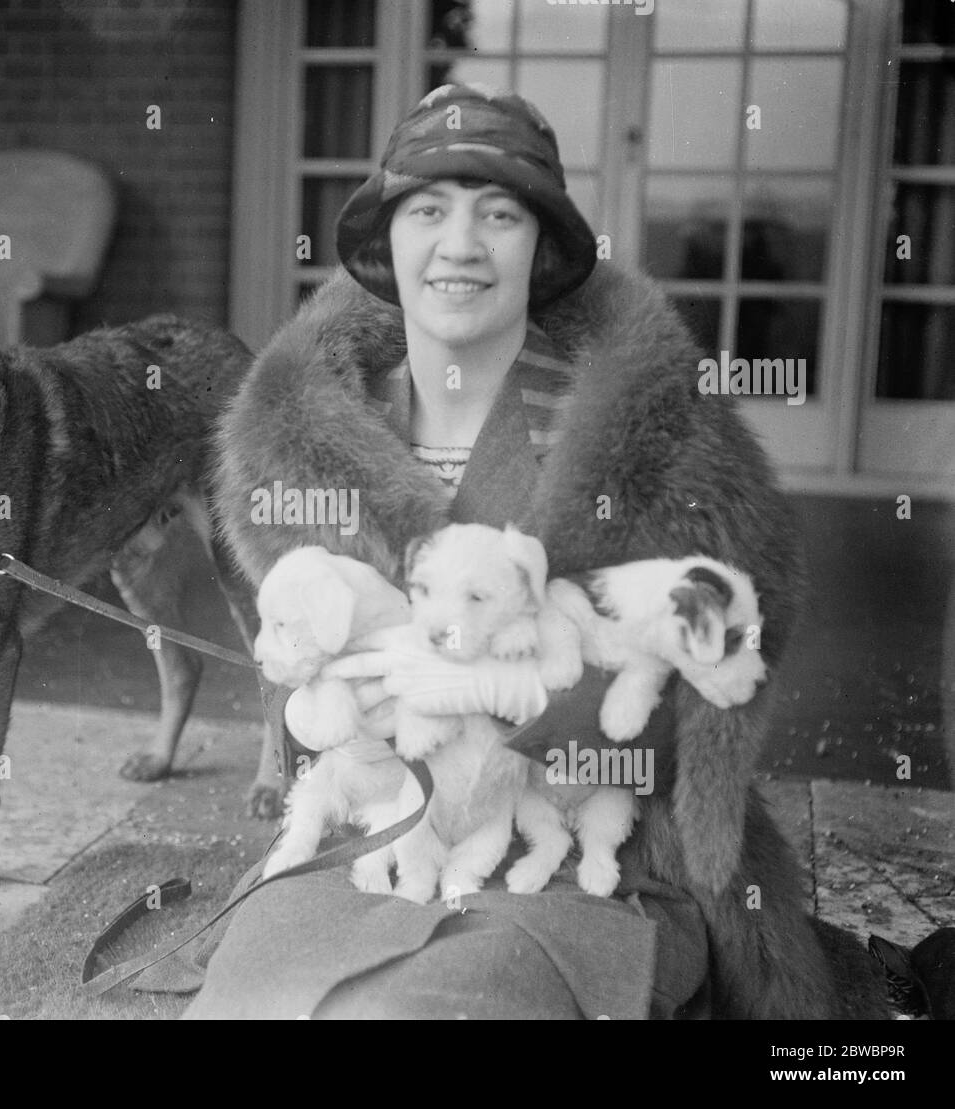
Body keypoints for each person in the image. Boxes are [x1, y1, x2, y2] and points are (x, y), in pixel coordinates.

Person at [178, 85, 837, 1019]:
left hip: (581, 848)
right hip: (386, 836)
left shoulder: (649, 427)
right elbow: (305, 700)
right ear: (386, 242)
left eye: (500, 214)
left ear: (544, 249)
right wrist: (339, 700)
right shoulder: (299, 440)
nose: (460, 245)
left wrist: (539, 702)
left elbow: (737, 648)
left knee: (433, 1009)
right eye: (427, 210)